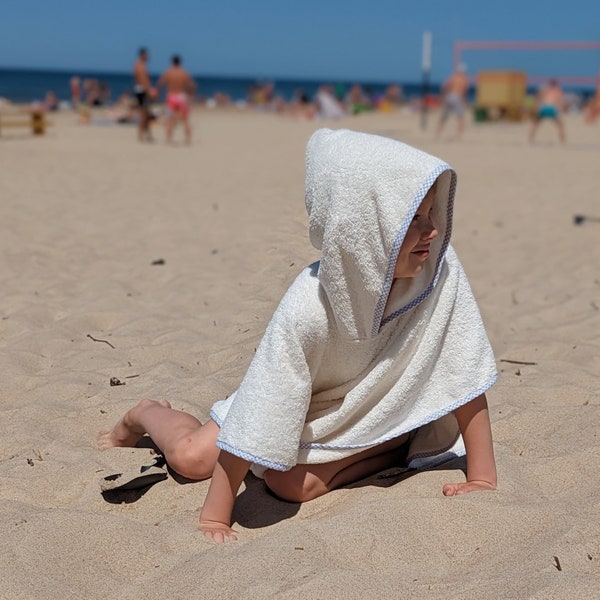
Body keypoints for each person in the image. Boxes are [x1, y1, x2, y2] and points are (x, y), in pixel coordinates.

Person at [98, 129, 498, 543]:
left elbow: (461, 366)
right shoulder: (309, 304)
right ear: (363, 228)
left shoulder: (439, 275)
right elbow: (265, 400)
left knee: (291, 486)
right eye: (413, 219)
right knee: (190, 459)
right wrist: (217, 515)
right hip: (290, 403)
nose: (432, 231)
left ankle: (395, 444)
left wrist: (482, 476)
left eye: (432, 214)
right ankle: (146, 411)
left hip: (375, 412)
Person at [156, 55, 196, 144]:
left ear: (172, 62)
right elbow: (192, 85)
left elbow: (160, 84)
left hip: (171, 96)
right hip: (181, 97)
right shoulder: (184, 73)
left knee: (169, 119)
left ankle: (169, 139)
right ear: (180, 62)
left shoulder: (168, 72)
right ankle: (188, 140)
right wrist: (191, 96)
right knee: (185, 120)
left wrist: (157, 93)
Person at [436, 64, 470, 140]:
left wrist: (443, 97)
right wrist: (465, 102)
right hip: (457, 97)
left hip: (449, 97)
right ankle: (458, 136)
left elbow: (443, 86)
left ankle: (437, 134)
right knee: (461, 118)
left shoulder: (452, 77)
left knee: (444, 117)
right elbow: (464, 93)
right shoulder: (464, 79)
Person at [529, 79, 566, 144]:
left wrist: (536, 107)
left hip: (543, 107)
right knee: (560, 125)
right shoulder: (558, 91)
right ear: (556, 84)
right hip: (552, 108)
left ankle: (531, 138)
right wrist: (561, 110)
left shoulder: (545, 89)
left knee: (536, 124)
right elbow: (560, 102)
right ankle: (562, 140)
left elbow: (538, 98)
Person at [133, 47, 154, 142]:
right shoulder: (140, 66)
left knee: (147, 113)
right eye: (147, 55)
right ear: (143, 55)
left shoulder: (140, 65)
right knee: (144, 114)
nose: (149, 56)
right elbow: (142, 81)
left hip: (141, 90)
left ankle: (147, 134)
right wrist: (149, 91)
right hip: (143, 91)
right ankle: (141, 136)